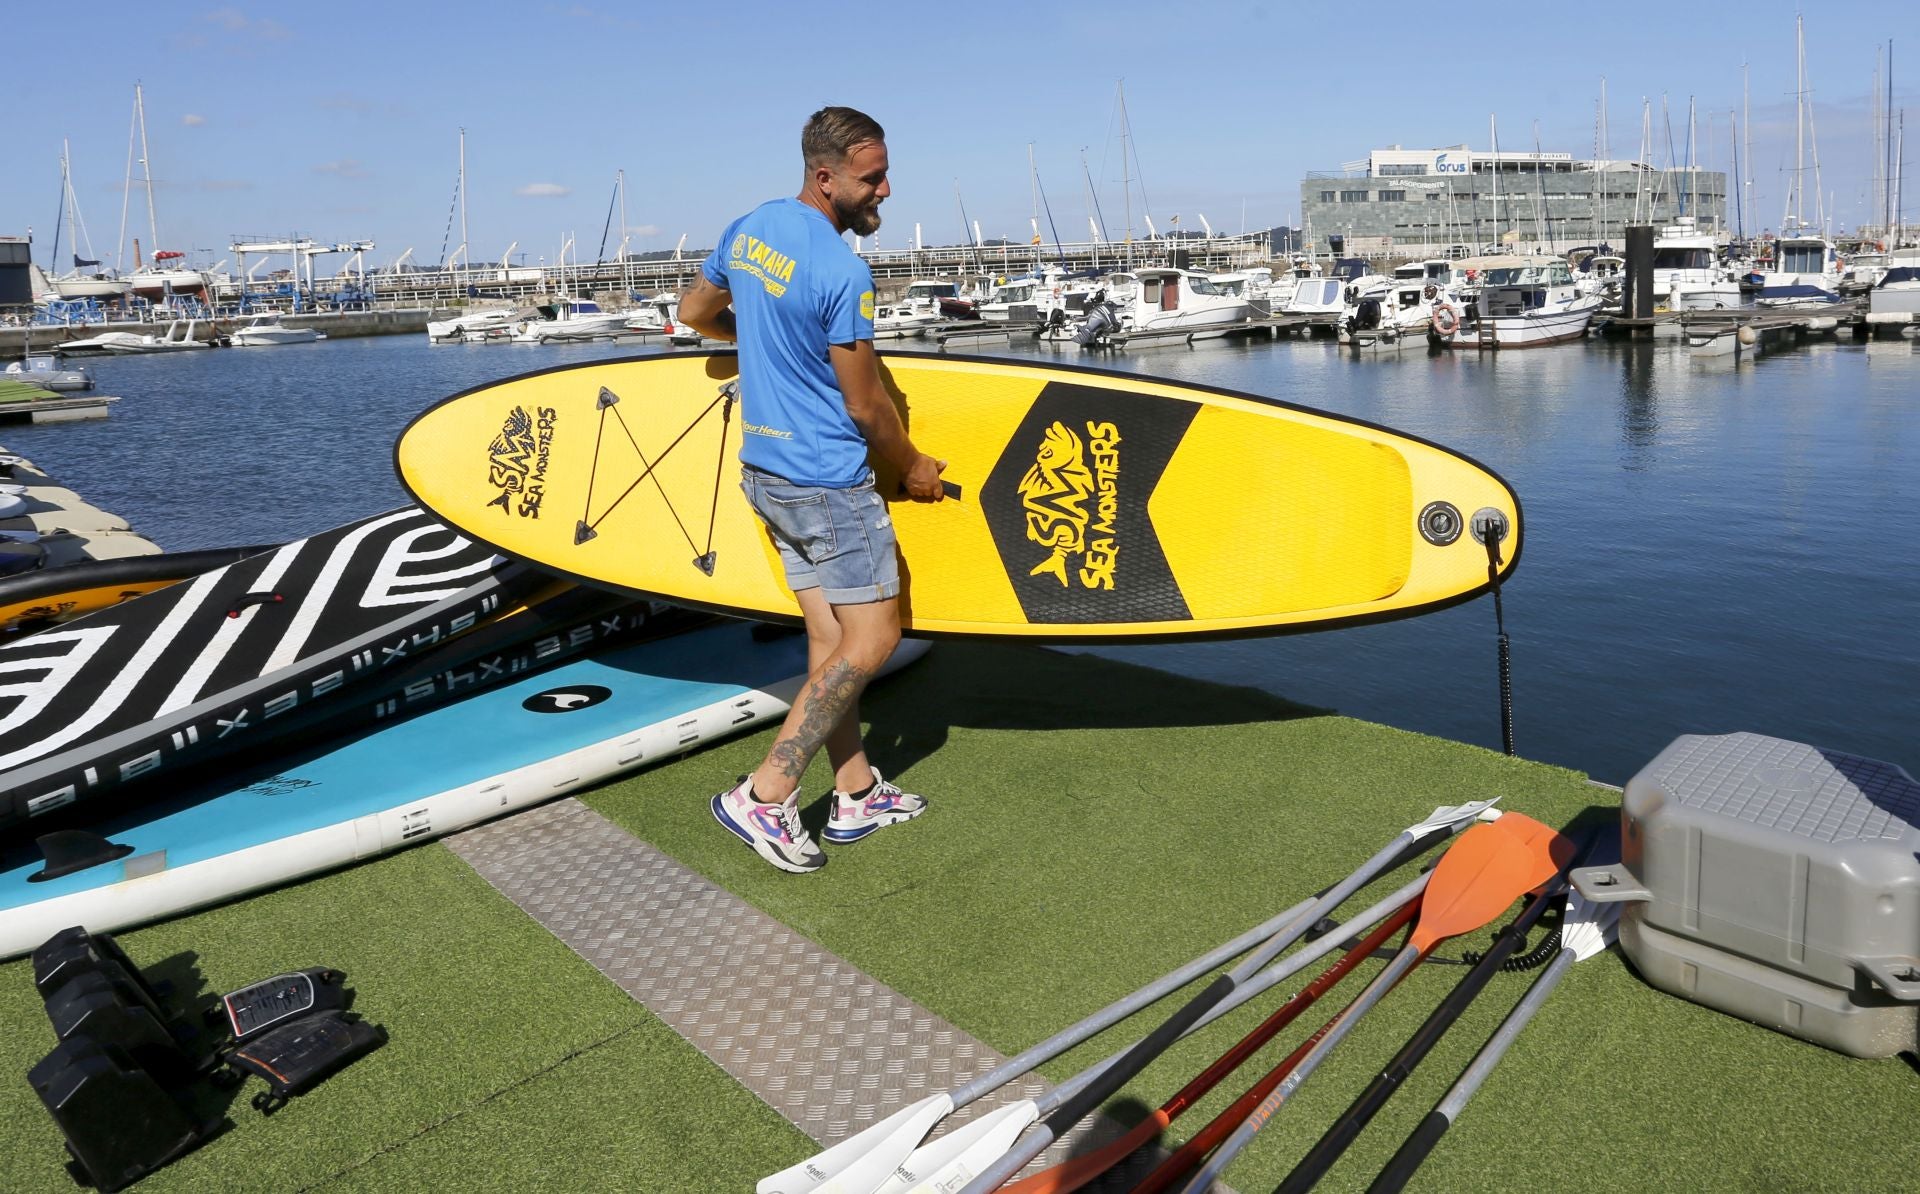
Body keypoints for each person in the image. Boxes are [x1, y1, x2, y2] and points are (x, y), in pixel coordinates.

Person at [678, 106, 946, 874]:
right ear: (825, 178)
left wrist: (760, 337)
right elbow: (865, 406)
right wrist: (916, 466)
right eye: (871, 178)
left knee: (832, 643)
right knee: (874, 641)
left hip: (766, 473)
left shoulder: (750, 228)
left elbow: (695, 314)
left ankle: (856, 790)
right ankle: (765, 793)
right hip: (828, 482)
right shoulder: (841, 270)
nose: (885, 191)